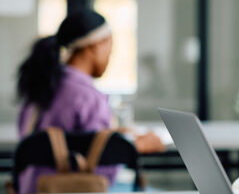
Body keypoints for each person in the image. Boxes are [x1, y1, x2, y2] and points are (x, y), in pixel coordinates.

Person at [16, 9, 164, 153]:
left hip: (32, 178)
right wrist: (136, 147)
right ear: (96, 46)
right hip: (74, 178)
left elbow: (73, 144)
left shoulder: (40, 88)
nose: (110, 56)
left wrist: (114, 136)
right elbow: (102, 167)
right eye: (109, 48)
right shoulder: (90, 98)